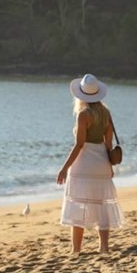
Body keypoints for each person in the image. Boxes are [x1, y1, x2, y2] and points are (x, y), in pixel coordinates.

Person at [56, 73, 124, 254]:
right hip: (101, 163)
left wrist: (64, 168)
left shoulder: (83, 115)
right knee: (102, 206)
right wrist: (109, 167)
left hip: (84, 165)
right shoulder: (106, 113)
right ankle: (104, 248)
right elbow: (108, 144)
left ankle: (76, 250)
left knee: (78, 205)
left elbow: (79, 145)